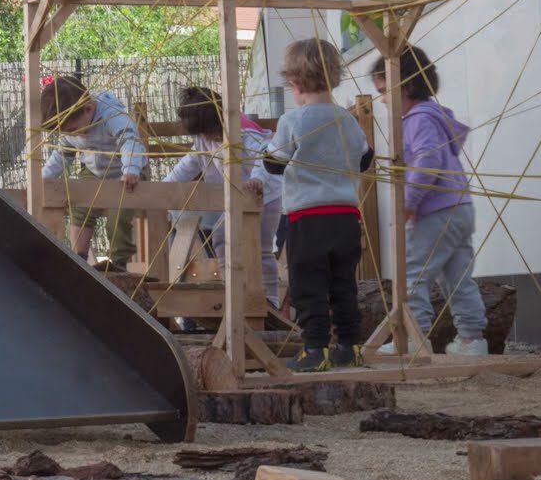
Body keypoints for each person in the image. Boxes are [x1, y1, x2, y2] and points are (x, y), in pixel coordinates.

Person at [264, 38, 374, 372]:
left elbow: (274, 163)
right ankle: (349, 345)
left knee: (307, 283)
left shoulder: (293, 121)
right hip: (345, 217)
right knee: (343, 282)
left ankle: (314, 348)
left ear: (295, 83)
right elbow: (365, 159)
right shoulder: (348, 119)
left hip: (307, 217)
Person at [371, 46, 488, 356]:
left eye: (384, 91)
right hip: (460, 208)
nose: (382, 100)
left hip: (435, 211)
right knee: (458, 276)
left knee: (412, 275)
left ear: (405, 86)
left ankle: (411, 338)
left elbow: (428, 160)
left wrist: (409, 201)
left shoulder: (417, 119)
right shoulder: (434, 116)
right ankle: (471, 339)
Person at [164, 86, 283, 307]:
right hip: (238, 198)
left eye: (210, 131)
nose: (209, 138)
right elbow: (188, 165)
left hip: (266, 195)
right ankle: (232, 289)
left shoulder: (244, 133)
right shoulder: (203, 140)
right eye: (203, 134)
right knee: (220, 236)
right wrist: (164, 188)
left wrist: (257, 178)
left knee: (261, 247)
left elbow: (264, 158)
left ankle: (270, 300)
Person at [39, 75, 148, 271]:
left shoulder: (112, 115)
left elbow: (130, 141)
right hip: (93, 171)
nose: (72, 135)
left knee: (119, 212)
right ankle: (79, 259)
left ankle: (119, 263)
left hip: (127, 172)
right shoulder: (71, 127)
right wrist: (42, 179)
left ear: (88, 109)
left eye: (73, 129)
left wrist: (131, 169)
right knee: (80, 208)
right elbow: (63, 155)